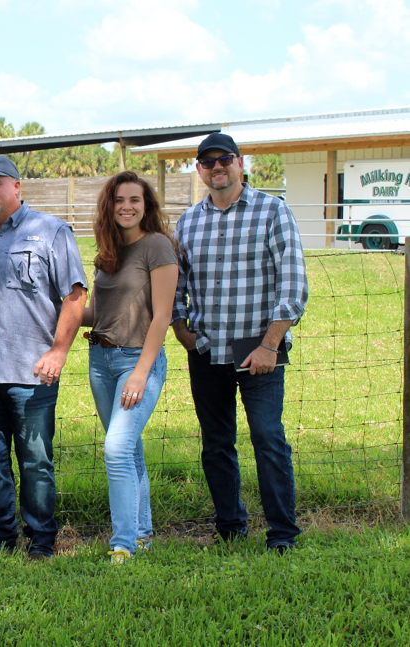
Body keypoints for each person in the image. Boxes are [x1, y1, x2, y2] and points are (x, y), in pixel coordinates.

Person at [172, 133, 308, 552]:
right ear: (199, 169)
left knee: (268, 437)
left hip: (257, 346)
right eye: (208, 161)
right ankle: (230, 526)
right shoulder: (189, 221)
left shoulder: (272, 210)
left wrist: (270, 344)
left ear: (240, 163)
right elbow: (177, 282)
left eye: (224, 159)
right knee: (216, 444)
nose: (217, 167)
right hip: (208, 348)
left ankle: (283, 533)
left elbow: (294, 282)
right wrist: (181, 329)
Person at [0, 155, 88, 559]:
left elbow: (75, 295)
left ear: (17, 187)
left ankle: (41, 540)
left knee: (36, 461)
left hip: (32, 372)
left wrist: (59, 350)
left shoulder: (50, 231)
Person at [81, 171, 178, 564]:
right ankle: (141, 535)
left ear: (146, 205)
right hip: (100, 361)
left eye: (135, 200)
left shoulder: (157, 246)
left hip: (137, 363)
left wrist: (140, 371)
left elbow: (162, 316)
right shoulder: (107, 252)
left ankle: (122, 545)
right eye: (120, 200)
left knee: (116, 449)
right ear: (110, 205)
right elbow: (96, 314)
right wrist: (56, 308)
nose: (127, 207)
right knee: (129, 451)